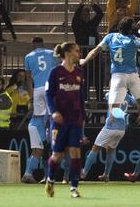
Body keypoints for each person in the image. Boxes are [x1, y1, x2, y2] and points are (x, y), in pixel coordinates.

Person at [79, 17, 140, 138]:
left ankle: (123, 117)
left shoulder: (110, 37)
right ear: (132, 30)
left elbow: (95, 51)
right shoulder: (133, 40)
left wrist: (84, 60)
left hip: (118, 76)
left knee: (112, 107)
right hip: (133, 76)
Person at [45, 42, 85, 198]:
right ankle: (50, 180)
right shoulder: (55, 72)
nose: (78, 54)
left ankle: (74, 188)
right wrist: (53, 112)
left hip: (75, 119)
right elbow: (48, 94)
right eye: (77, 51)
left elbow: (81, 97)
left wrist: (83, 117)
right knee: (57, 155)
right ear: (68, 53)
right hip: (60, 120)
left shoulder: (79, 73)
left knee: (76, 153)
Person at [81, 91, 140, 182]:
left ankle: (84, 172)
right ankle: (106, 175)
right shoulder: (127, 96)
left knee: (95, 148)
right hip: (122, 129)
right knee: (111, 149)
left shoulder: (110, 94)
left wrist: (111, 116)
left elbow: (111, 102)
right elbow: (138, 102)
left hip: (111, 127)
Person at [21, 37, 58, 184]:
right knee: (48, 120)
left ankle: (33, 174)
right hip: (49, 87)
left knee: (40, 115)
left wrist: (31, 95)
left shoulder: (28, 56)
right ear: (42, 44)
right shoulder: (50, 53)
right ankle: (30, 174)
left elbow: (28, 79)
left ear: (33, 45)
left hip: (37, 89)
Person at [72, 0, 103, 101]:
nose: (86, 16)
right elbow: (75, 18)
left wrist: (93, 4)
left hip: (95, 56)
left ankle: (100, 99)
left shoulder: (92, 24)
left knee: (98, 79)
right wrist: (81, 5)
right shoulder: (77, 25)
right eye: (84, 14)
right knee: (84, 80)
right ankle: (84, 99)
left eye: (88, 14)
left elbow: (100, 14)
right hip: (83, 56)